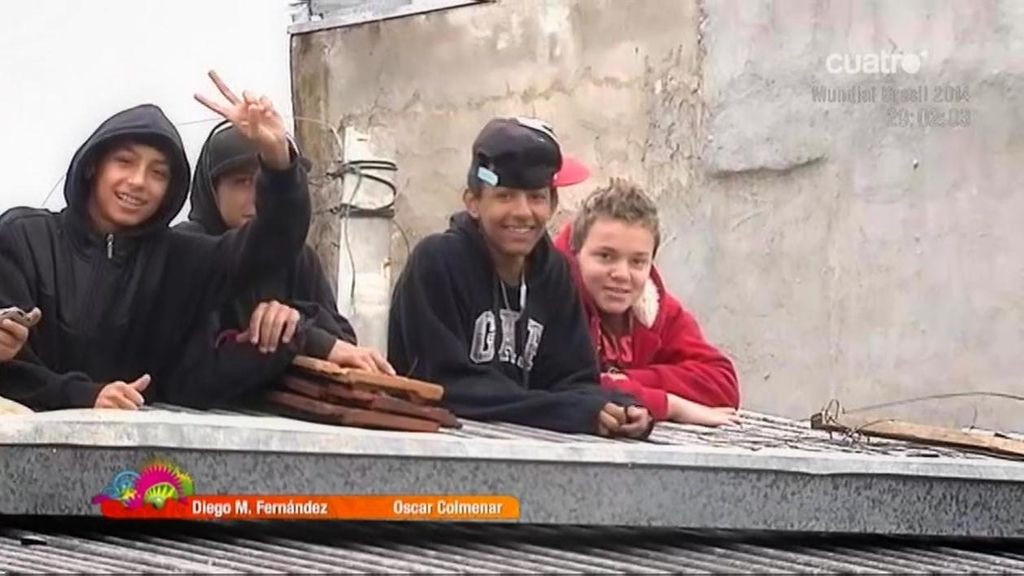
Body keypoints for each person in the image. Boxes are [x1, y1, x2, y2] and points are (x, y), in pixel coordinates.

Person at [0, 71, 311, 411]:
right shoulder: (24, 237)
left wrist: (278, 160)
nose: (138, 182)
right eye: (125, 162)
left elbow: (273, 244)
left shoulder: (181, 258)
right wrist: (85, 396)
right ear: (93, 166)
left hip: (142, 456)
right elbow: (12, 369)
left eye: (158, 172)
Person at [388, 117, 654, 438]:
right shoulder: (437, 264)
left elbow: (573, 381)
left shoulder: (553, 273)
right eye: (505, 196)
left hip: (521, 455)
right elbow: (444, 388)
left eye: (537, 197)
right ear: (473, 203)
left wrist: (621, 407)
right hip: (429, 457)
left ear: (553, 204)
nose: (523, 212)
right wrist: (565, 412)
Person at [175, 122, 391, 374]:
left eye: (265, 181)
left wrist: (295, 320)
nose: (258, 195)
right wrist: (286, 336)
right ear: (212, 190)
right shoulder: (188, 249)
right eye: (242, 181)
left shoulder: (300, 258)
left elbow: (342, 343)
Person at [552, 178, 741, 426]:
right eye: (605, 256)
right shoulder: (551, 297)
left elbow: (723, 384)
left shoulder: (654, 307)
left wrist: (622, 381)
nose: (621, 274)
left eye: (637, 261)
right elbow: (563, 384)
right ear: (576, 253)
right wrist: (669, 405)